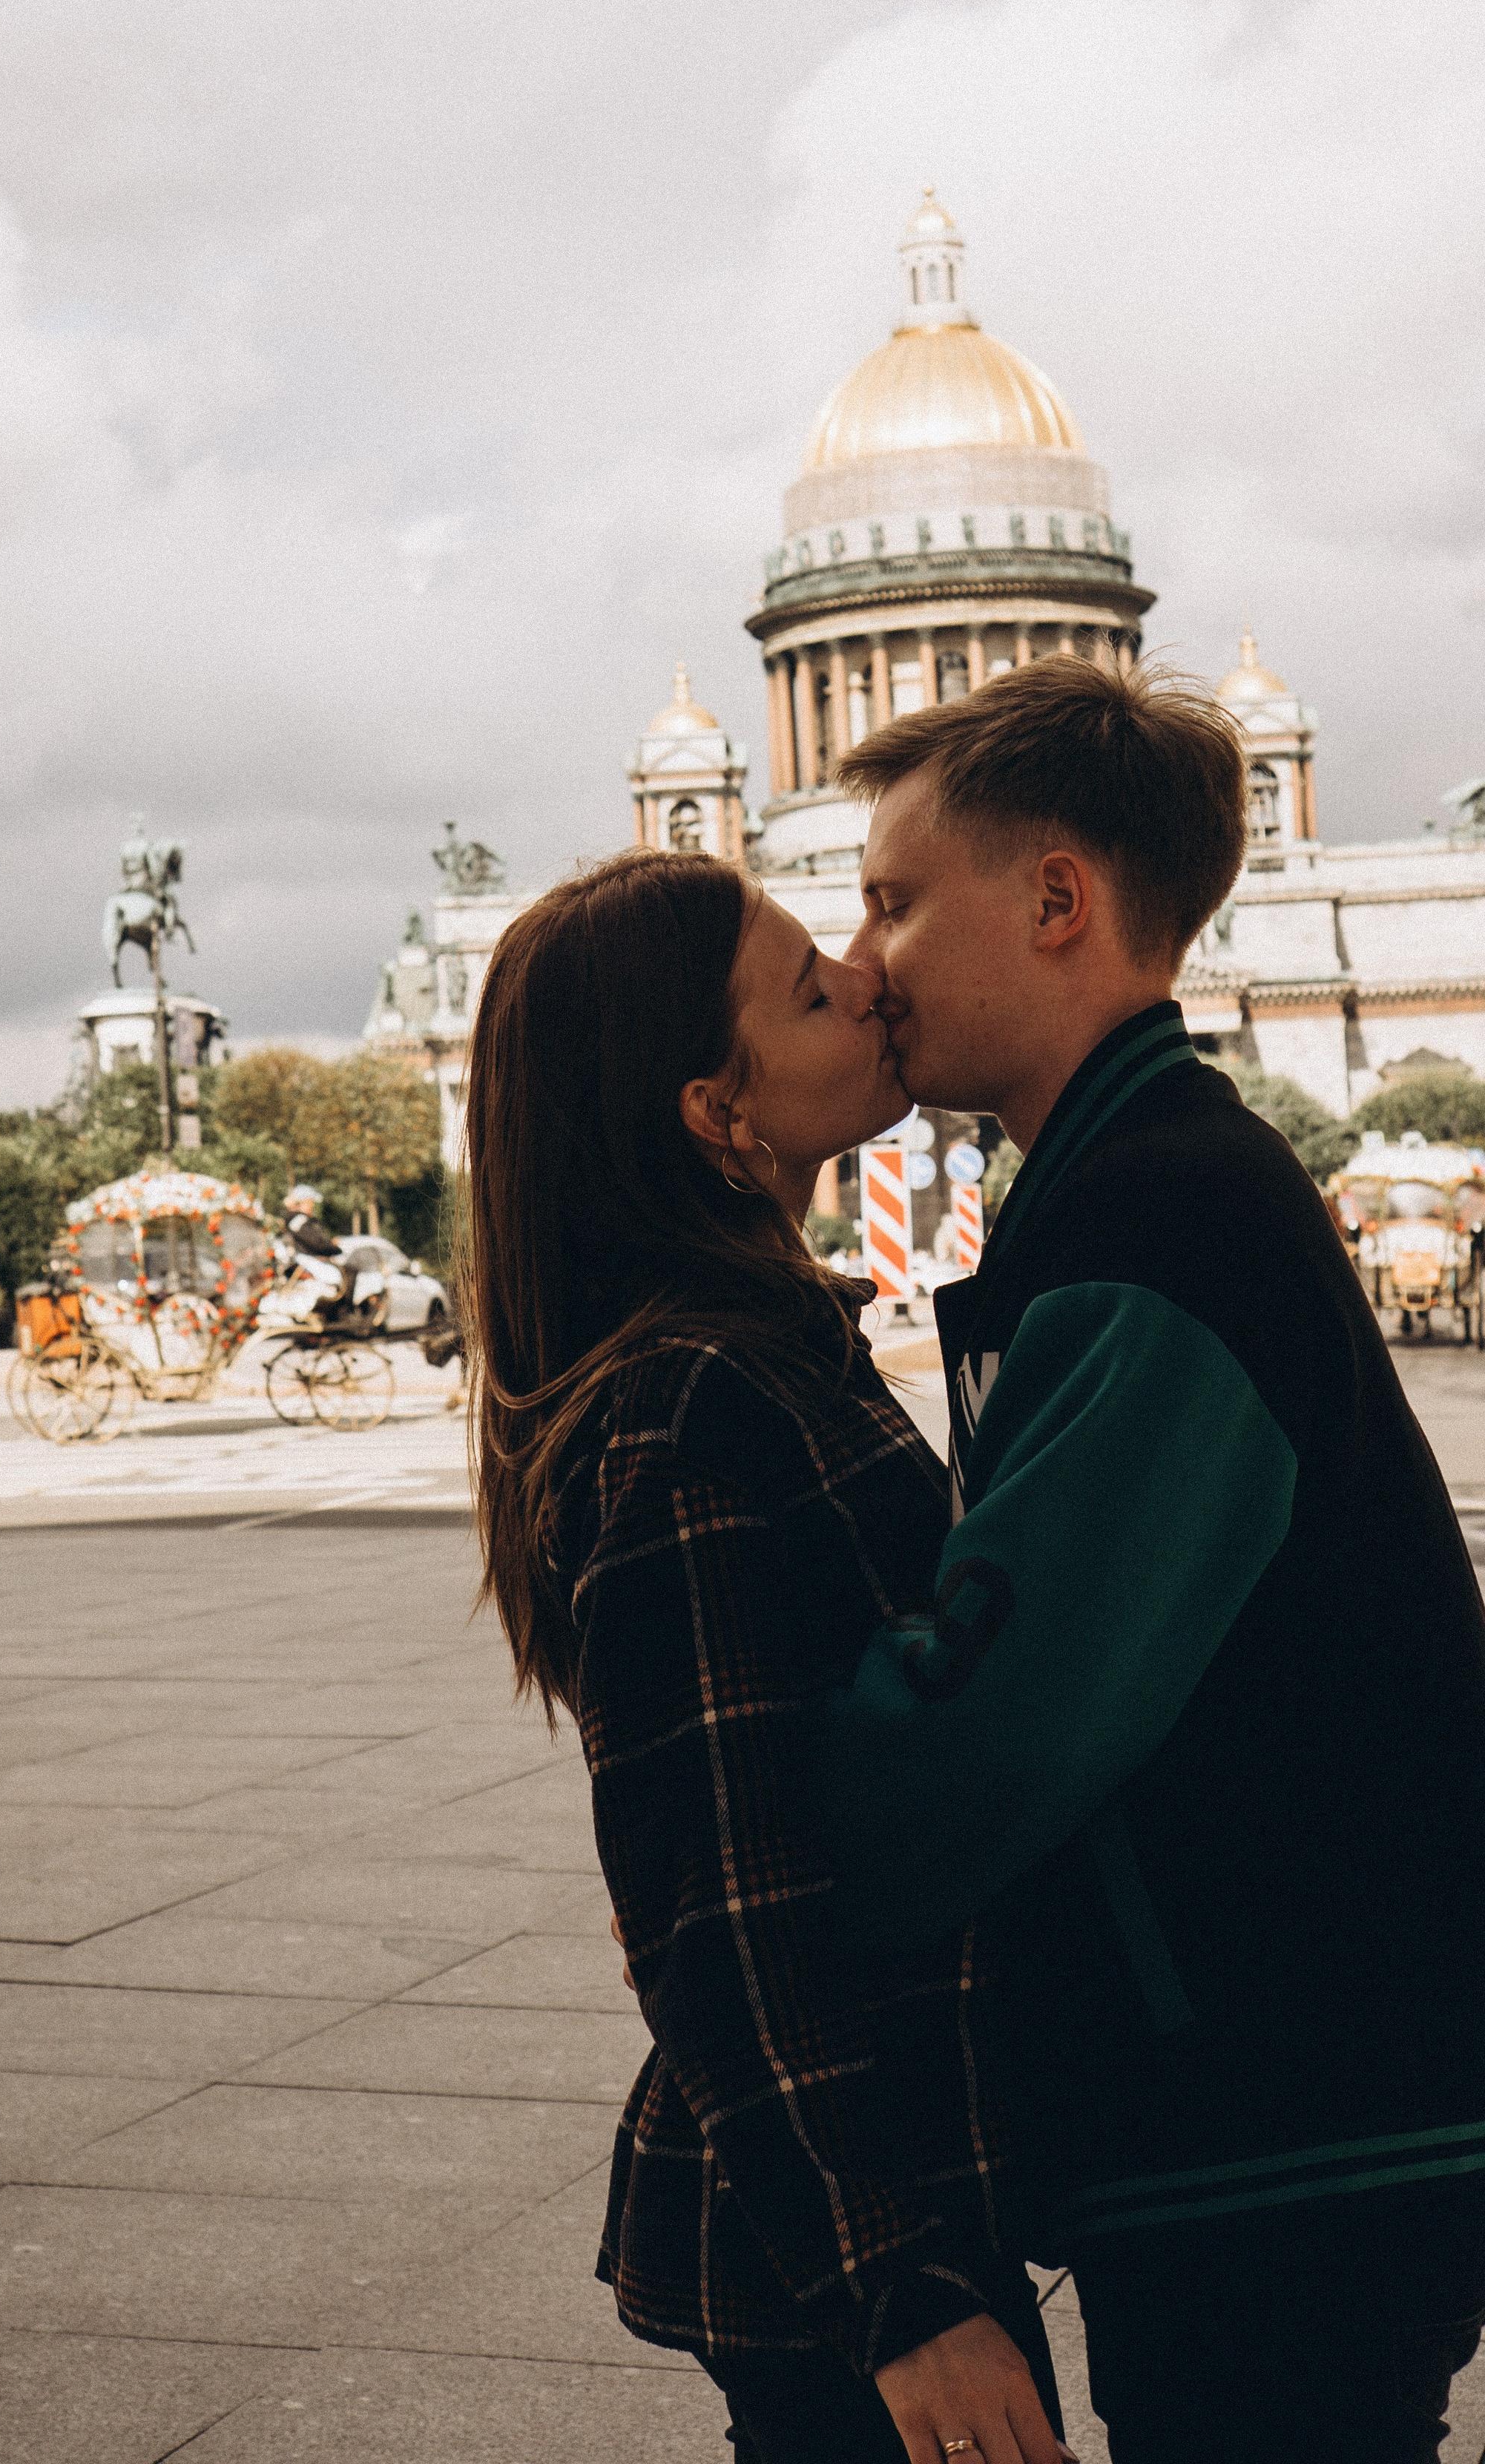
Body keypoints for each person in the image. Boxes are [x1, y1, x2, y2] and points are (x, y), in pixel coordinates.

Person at [814, 654, 1485, 2460]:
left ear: (1054, 901)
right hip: (1292, 2095)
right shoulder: (1148, 1179)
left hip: (1274, 2125)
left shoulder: (1154, 1216)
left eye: (889, 898)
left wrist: (764, 1773)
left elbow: (998, 1729)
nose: (858, 958)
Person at [464, 850, 1070, 2464]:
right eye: (811, 987)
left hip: (874, 2189)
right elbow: (714, 1903)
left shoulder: (752, 1352)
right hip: (858, 2237)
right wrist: (902, 2294)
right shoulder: (693, 1404)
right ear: (713, 1114)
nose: (869, 980)